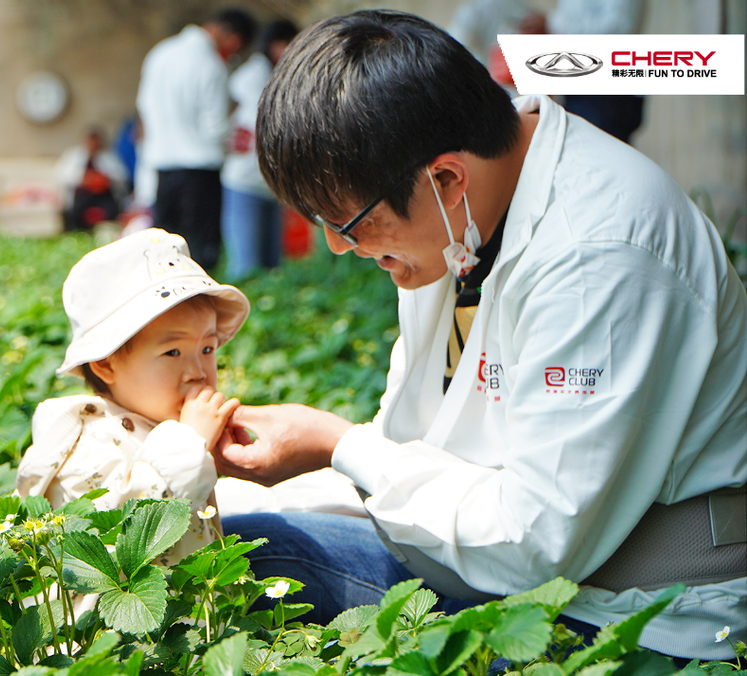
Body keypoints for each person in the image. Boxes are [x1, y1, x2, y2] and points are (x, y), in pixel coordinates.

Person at [214, 10, 746, 661]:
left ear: (445, 179)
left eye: (348, 221)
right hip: (489, 566)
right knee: (253, 543)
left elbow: (534, 547)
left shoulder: (596, 253)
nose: (337, 245)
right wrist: (328, 456)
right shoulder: (465, 219)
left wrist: (340, 446)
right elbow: (423, 433)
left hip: (622, 614)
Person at [16, 228, 250, 564]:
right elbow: (134, 527)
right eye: (172, 352)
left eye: (208, 348)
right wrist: (190, 442)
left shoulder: (162, 423)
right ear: (105, 364)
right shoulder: (90, 444)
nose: (198, 371)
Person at [136, 9, 257, 272]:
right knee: (199, 255)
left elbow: (144, 109)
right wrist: (232, 124)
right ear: (234, 41)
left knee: (165, 254)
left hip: (163, 169)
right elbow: (214, 128)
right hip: (199, 173)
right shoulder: (211, 64)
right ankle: (200, 310)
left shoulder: (160, 53)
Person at [220, 19, 299, 281]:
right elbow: (270, 121)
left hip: (269, 185)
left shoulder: (274, 75)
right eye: (288, 44)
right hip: (245, 182)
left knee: (271, 264)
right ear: (275, 45)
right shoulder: (253, 76)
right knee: (246, 265)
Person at [519, 0, 647, 143]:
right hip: (581, 89)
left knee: (600, 150)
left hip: (607, 93)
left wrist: (552, 24)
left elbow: (617, 28)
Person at [54, 126, 128, 232]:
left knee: (111, 209)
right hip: (81, 196)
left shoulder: (109, 157)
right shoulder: (73, 156)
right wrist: (84, 179)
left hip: (103, 196)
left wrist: (104, 179)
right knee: (74, 211)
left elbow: (121, 177)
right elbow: (61, 176)